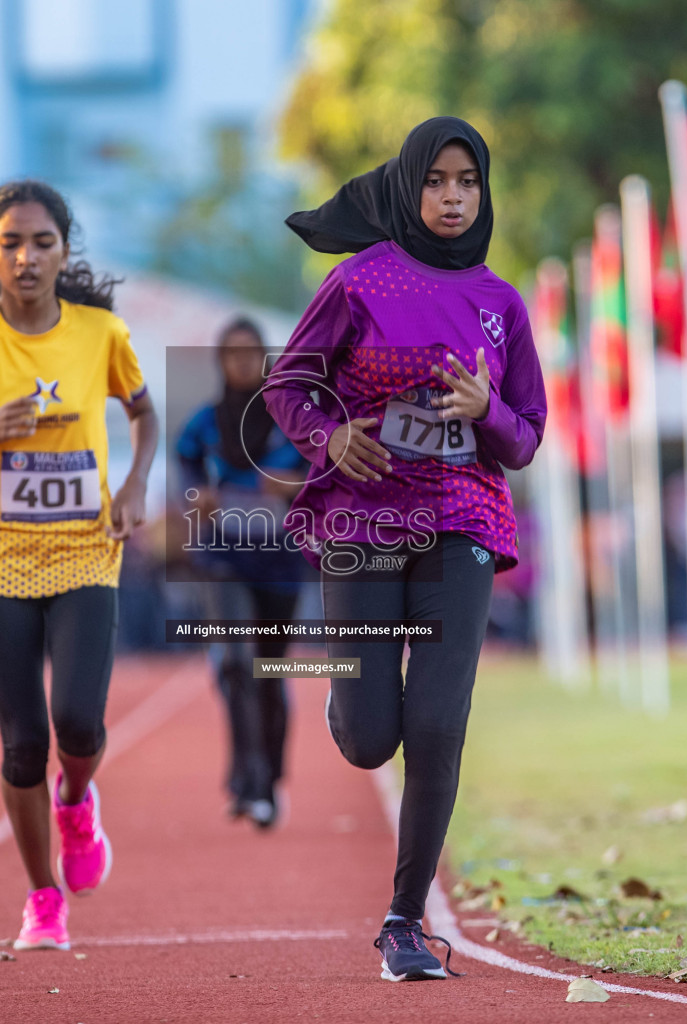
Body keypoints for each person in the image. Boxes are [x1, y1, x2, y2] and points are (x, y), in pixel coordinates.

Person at [262, 117, 545, 981]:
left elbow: (526, 437)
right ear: (408, 187)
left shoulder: (502, 304)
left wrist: (482, 409)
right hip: (364, 520)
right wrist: (330, 439)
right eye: (438, 182)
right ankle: (351, 700)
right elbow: (287, 385)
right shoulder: (358, 282)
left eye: (468, 182)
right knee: (366, 737)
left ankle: (404, 921)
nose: (454, 198)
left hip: (463, 516)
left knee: (437, 725)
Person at [0, 179, 157, 952]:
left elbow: (144, 413)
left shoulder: (99, 334)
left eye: (42, 242)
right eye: (10, 243)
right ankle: (43, 897)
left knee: (78, 722)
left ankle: (76, 802)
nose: (25, 257)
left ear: (63, 251)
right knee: (21, 743)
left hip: (87, 550)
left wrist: (134, 483)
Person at [177, 316, 307, 829]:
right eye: (231, 354)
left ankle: (268, 781)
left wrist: (295, 485)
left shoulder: (289, 417)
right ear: (220, 362)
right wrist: (197, 496)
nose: (241, 362)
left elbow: (325, 466)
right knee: (236, 663)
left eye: (250, 352)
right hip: (223, 556)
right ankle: (247, 781)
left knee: (268, 672)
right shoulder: (205, 422)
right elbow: (185, 464)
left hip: (279, 557)